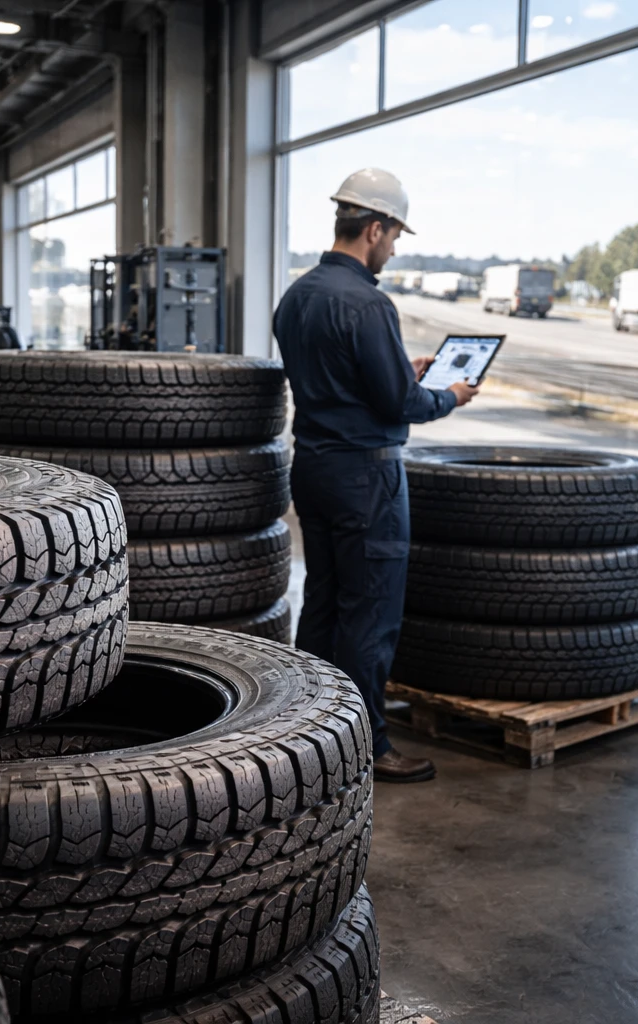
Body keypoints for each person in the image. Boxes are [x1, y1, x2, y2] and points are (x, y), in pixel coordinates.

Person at [273, 168, 480, 783]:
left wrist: (400, 368)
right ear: (373, 227)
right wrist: (450, 395)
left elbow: (344, 380)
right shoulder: (367, 302)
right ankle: (367, 747)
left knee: (324, 604)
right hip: (368, 481)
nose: (394, 248)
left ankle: (305, 735)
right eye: (393, 236)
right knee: (370, 617)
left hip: (313, 469)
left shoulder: (298, 295)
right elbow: (399, 405)